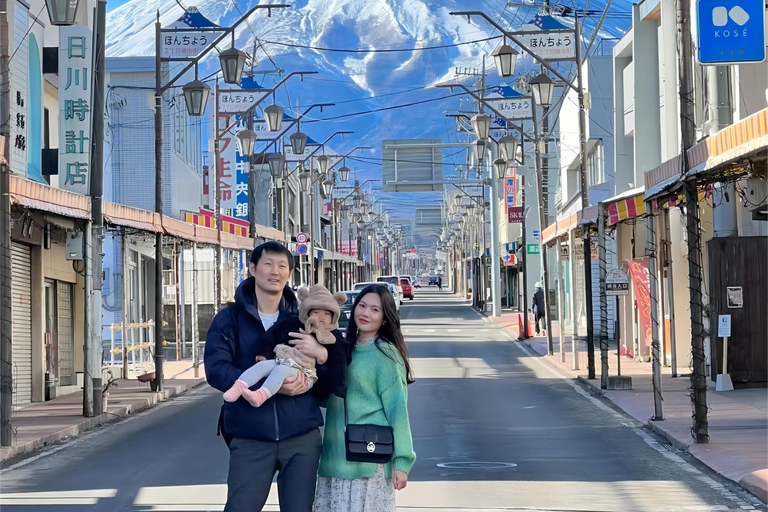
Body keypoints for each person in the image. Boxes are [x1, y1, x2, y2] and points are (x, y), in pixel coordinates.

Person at [205, 242, 337, 512]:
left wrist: (321, 357)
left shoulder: (304, 319)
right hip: (250, 436)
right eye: (267, 264)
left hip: (302, 436)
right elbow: (217, 370)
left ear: (289, 273)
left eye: (282, 266)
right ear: (252, 268)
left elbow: (333, 377)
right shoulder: (229, 318)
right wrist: (275, 386)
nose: (274, 271)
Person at [314, 284, 416, 512]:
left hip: (369, 461)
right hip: (334, 456)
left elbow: (398, 411)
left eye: (375, 309)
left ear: (386, 317)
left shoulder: (385, 353)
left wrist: (402, 462)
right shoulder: (341, 347)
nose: (366, 313)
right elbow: (330, 398)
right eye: (362, 306)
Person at [222, 285, 348, 407]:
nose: (321, 317)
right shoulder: (294, 322)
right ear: (306, 312)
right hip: (284, 360)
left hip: (305, 373)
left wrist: (338, 383)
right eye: (316, 312)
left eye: (327, 313)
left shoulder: (333, 336)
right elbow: (273, 333)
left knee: (280, 371)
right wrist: (264, 351)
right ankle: (238, 387)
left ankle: (260, 396)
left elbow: (340, 360)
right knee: (262, 366)